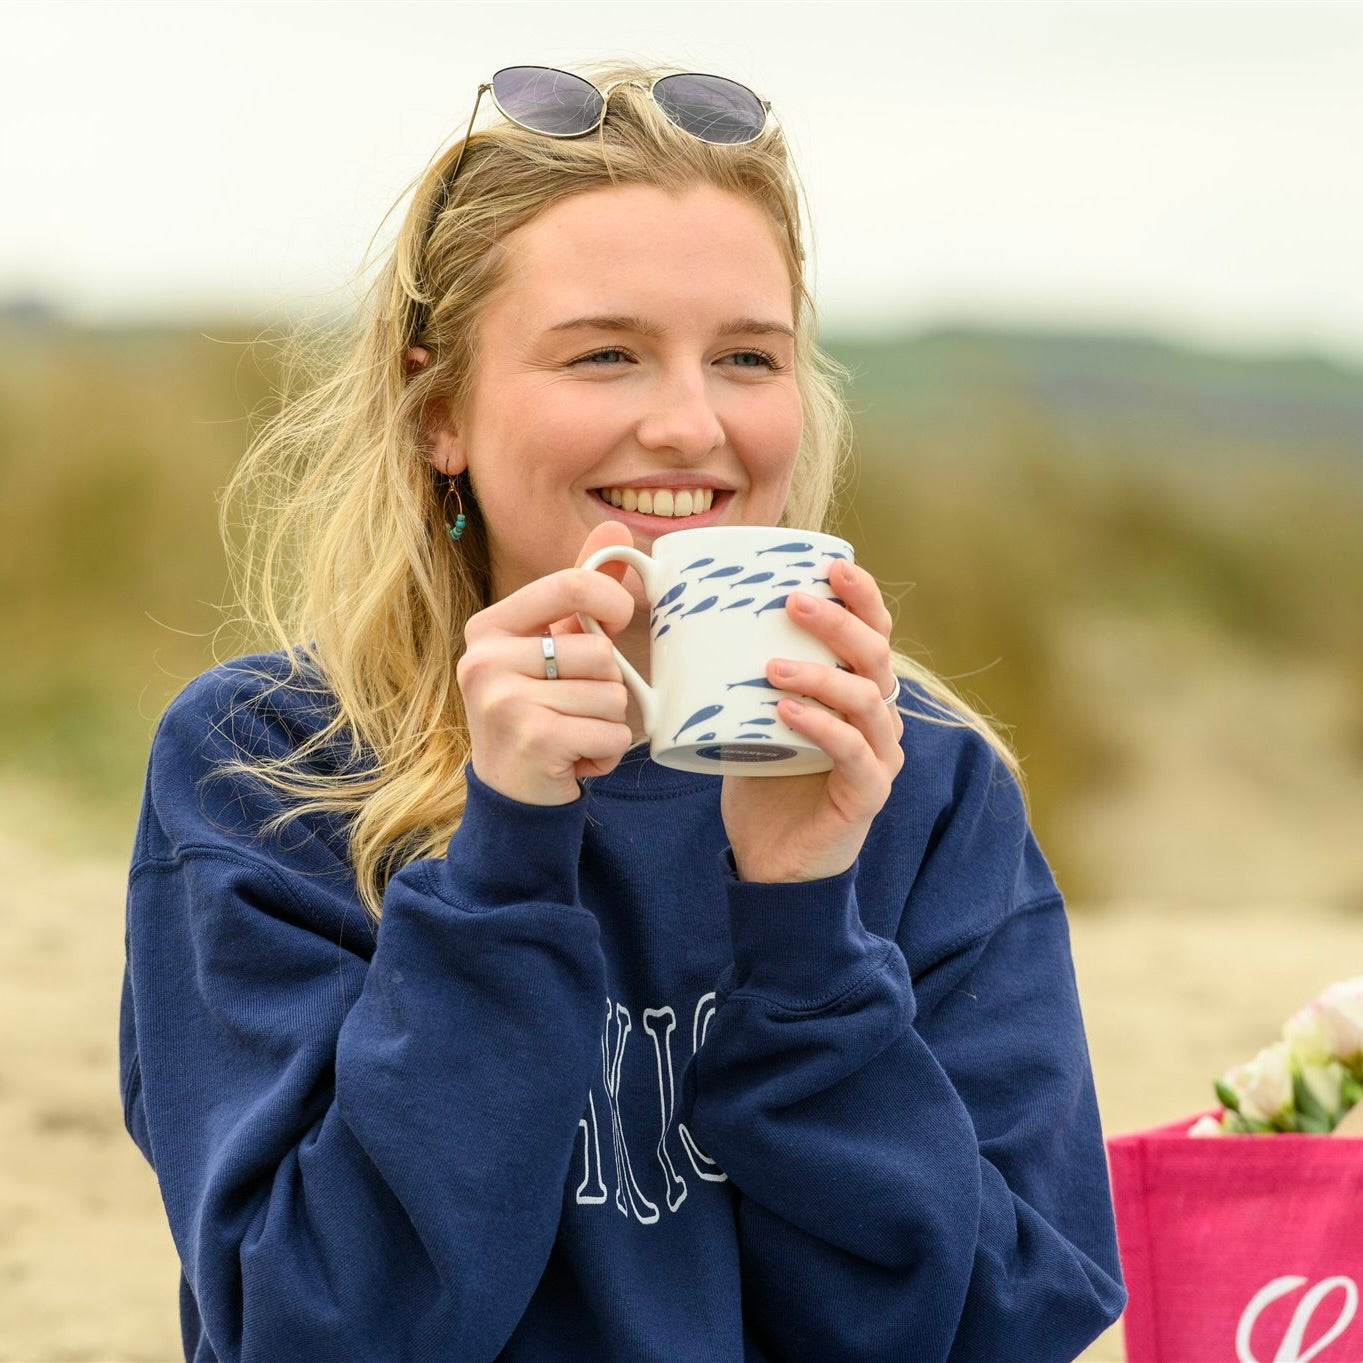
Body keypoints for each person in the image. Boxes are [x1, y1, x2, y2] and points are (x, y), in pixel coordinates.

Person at [119, 62, 1126, 1362]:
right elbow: (310, 1328)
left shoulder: (919, 783)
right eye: (607, 354)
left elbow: (993, 1326)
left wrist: (805, 920)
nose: (691, 424)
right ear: (439, 411)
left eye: (747, 358)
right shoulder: (273, 763)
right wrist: (504, 867)